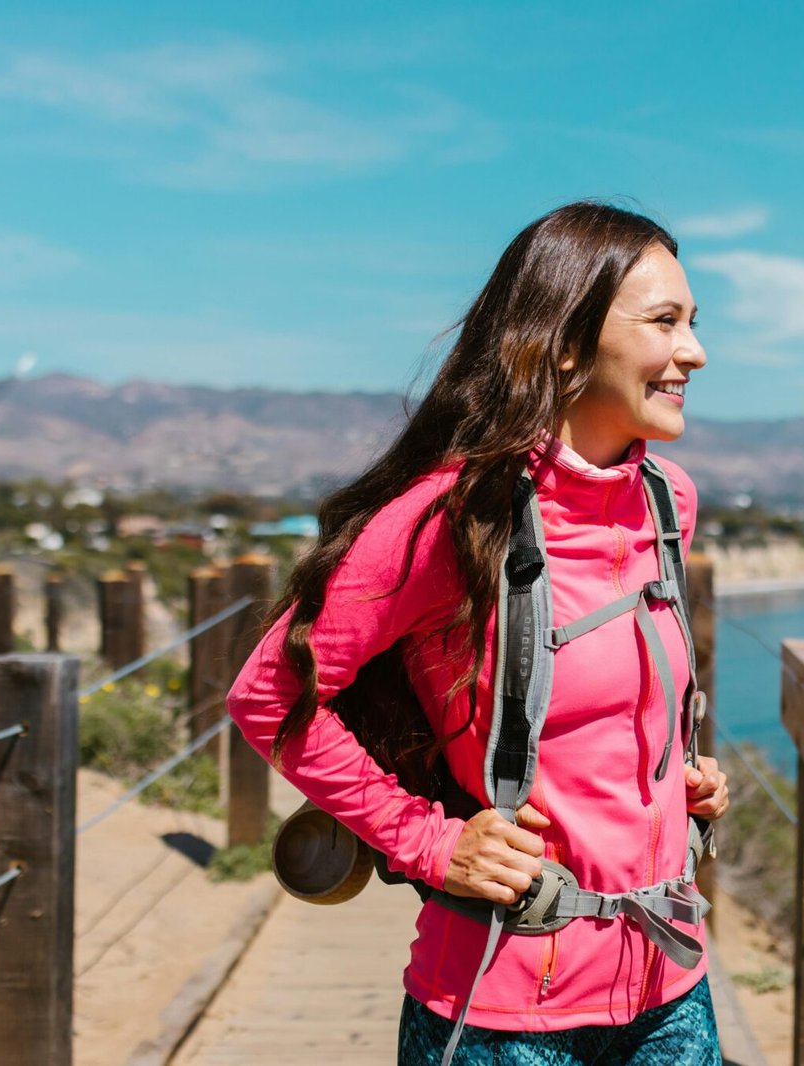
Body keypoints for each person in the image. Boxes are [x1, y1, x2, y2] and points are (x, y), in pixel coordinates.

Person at [226, 200, 730, 1065]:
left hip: (671, 990)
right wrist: (430, 841)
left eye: (695, 323)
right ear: (566, 343)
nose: (696, 351)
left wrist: (674, 786)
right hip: (502, 1013)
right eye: (665, 322)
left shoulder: (667, 503)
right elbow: (272, 696)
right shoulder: (448, 518)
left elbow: (596, 721)